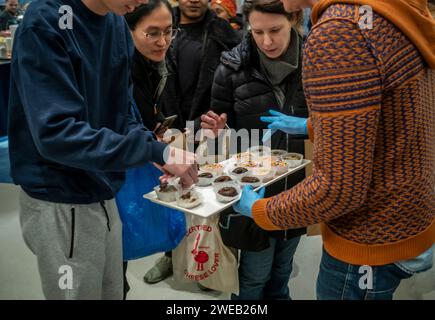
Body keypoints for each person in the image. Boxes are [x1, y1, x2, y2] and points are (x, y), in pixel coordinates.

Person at [234, 0, 435, 300]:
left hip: (368, 240)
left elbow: (339, 189)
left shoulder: (340, 32)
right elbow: (392, 120)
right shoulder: (382, 10)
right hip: (407, 220)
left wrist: (260, 210)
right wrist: (313, 127)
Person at [8, 0, 198, 300]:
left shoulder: (114, 22)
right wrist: (153, 152)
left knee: (113, 290)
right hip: (61, 196)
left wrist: (154, 150)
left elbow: (122, 112)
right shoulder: (46, 21)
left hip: (105, 188)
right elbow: (57, 134)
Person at [201, 0, 306, 300]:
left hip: (299, 190)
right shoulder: (232, 67)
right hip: (251, 191)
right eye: (257, 32)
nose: (267, 41)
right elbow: (220, 132)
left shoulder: (316, 61)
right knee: (252, 277)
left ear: (294, 19)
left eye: (275, 30)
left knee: (282, 271)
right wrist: (216, 131)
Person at [143, 0, 240, 284]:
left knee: (211, 197)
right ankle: (171, 255)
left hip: (211, 125)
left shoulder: (224, 32)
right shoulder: (158, 27)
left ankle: (211, 260)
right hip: (169, 126)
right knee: (170, 195)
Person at [123, 0, 185, 295]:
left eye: (169, 31)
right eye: (152, 33)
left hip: (149, 154)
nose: (163, 41)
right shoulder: (119, 68)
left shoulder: (158, 63)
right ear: (129, 29)